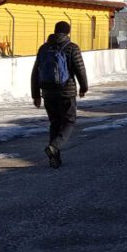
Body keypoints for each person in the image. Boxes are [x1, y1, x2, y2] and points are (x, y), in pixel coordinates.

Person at [31, 20, 88, 169]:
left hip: (48, 93)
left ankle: (54, 159)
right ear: (68, 32)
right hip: (66, 91)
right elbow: (80, 69)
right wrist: (83, 87)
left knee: (55, 123)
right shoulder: (72, 48)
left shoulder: (44, 48)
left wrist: (35, 95)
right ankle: (55, 146)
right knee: (69, 122)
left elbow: (35, 73)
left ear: (54, 31)